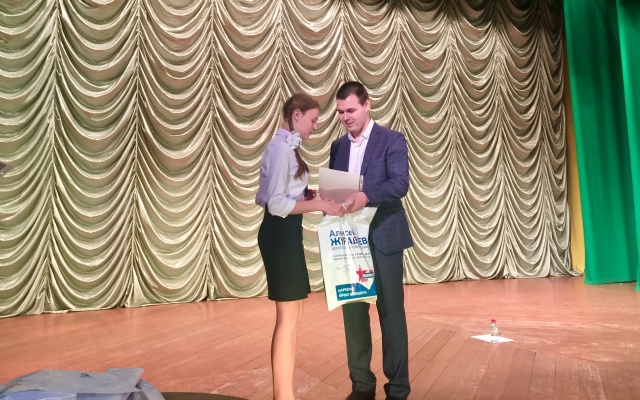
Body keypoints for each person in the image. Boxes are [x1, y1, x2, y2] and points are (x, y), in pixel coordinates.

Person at [256, 93, 345, 400]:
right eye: (313, 120)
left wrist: (307, 197)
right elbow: (275, 204)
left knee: (293, 316)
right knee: (287, 318)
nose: (315, 126)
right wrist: (319, 203)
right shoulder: (281, 149)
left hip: (286, 233)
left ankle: (285, 394)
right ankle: (282, 396)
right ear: (296, 116)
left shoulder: (284, 148)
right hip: (280, 234)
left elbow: (268, 196)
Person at [329, 82, 414, 400]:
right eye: (340, 112)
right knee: (353, 312)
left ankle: (398, 387)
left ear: (367, 105)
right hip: (349, 243)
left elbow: (400, 183)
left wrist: (366, 196)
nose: (345, 117)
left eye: (350, 110)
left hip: (384, 238)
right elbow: (336, 189)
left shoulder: (392, 139)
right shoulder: (338, 147)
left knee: (391, 312)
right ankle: (362, 385)